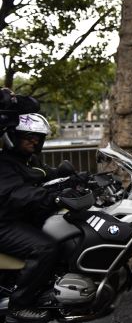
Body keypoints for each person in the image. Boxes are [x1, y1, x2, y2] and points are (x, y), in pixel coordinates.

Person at [0, 113, 75, 323]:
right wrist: (55, 198)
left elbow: (49, 175)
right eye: (29, 136)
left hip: (20, 219)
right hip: (4, 224)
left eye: (38, 137)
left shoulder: (28, 160)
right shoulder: (5, 164)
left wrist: (77, 180)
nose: (35, 140)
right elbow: (17, 194)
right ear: (13, 136)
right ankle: (20, 304)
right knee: (45, 248)